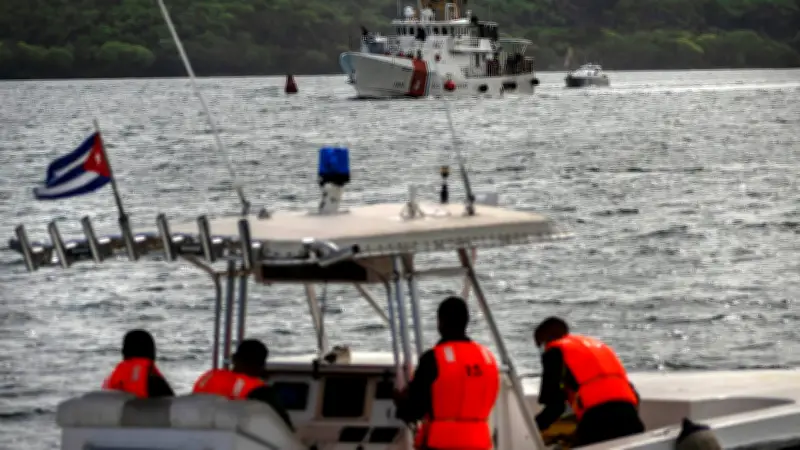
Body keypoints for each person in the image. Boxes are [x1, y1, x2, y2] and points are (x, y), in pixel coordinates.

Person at [394, 296, 500, 449]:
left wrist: (400, 401)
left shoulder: (433, 359)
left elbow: (414, 411)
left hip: (441, 444)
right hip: (480, 444)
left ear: (440, 322)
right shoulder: (487, 358)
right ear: (466, 321)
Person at [533, 317, 644, 446]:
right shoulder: (597, 347)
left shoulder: (554, 352)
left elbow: (555, 407)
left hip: (596, 421)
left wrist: (531, 430)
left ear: (545, 341)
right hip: (631, 418)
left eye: (539, 346)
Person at [193, 339, 294, 431]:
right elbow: (286, 428)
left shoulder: (209, 376)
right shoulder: (260, 391)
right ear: (262, 366)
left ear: (234, 359)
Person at [103, 329, 174, 398]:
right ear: (151, 352)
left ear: (124, 351)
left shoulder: (113, 379)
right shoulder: (155, 382)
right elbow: (172, 405)